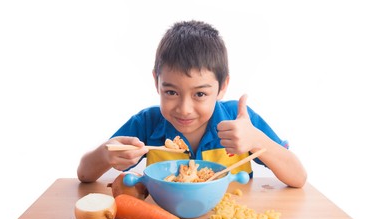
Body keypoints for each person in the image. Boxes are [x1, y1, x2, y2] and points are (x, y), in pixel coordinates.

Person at [77, 20, 307, 188]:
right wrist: (106, 155)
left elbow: (298, 177)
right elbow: (84, 174)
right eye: (171, 92)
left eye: (199, 94)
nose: (184, 109)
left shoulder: (240, 122)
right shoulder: (147, 123)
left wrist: (256, 140)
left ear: (223, 86)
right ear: (156, 82)